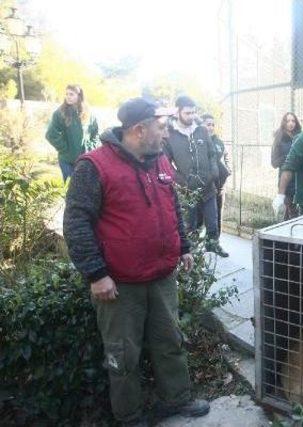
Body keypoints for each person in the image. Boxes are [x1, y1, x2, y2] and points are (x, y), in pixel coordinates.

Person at [63, 97, 209, 425]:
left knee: (169, 341)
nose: (167, 133)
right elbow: (75, 222)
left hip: (160, 276)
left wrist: (183, 247)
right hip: (119, 284)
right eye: (161, 128)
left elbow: (172, 207)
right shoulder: (94, 166)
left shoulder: (159, 160)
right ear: (139, 130)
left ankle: (176, 399)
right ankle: (129, 416)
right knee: (122, 355)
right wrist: (96, 274)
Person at [163, 96, 227, 257]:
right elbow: (166, 163)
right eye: (187, 113)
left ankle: (213, 245)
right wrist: (181, 180)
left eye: (193, 112)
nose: (191, 116)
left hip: (208, 186)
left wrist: (213, 172)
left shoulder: (202, 130)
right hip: (187, 189)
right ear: (177, 112)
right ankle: (190, 254)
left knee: (212, 221)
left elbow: (212, 153)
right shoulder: (170, 135)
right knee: (189, 225)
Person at [45, 84, 100, 181]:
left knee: (84, 190)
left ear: (79, 96)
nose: (68, 97)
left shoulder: (89, 114)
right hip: (67, 160)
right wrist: (64, 149)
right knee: (70, 188)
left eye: (71, 94)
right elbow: (50, 134)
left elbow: (96, 134)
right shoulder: (60, 113)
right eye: (66, 94)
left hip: (85, 160)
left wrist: (91, 147)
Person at [201, 113, 231, 257]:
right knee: (198, 218)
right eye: (208, 124)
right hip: (202, 186)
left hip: (219, 185)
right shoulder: (197, 142)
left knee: (216, 216)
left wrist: (224, 182)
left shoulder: (218, 142)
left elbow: (226, 160)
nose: (211, 127)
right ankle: (198, 245)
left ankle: (214, 243)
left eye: (213, 124)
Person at [270, 112, 302, 219]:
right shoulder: (279, 139)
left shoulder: (300, 137)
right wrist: (288, 157)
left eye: (293, 121)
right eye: (288, 121)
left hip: (299, 180)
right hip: (286, 181)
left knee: (294, 213)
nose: (291, 123)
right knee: (291, 212)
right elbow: (274, 163)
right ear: (284, 123)